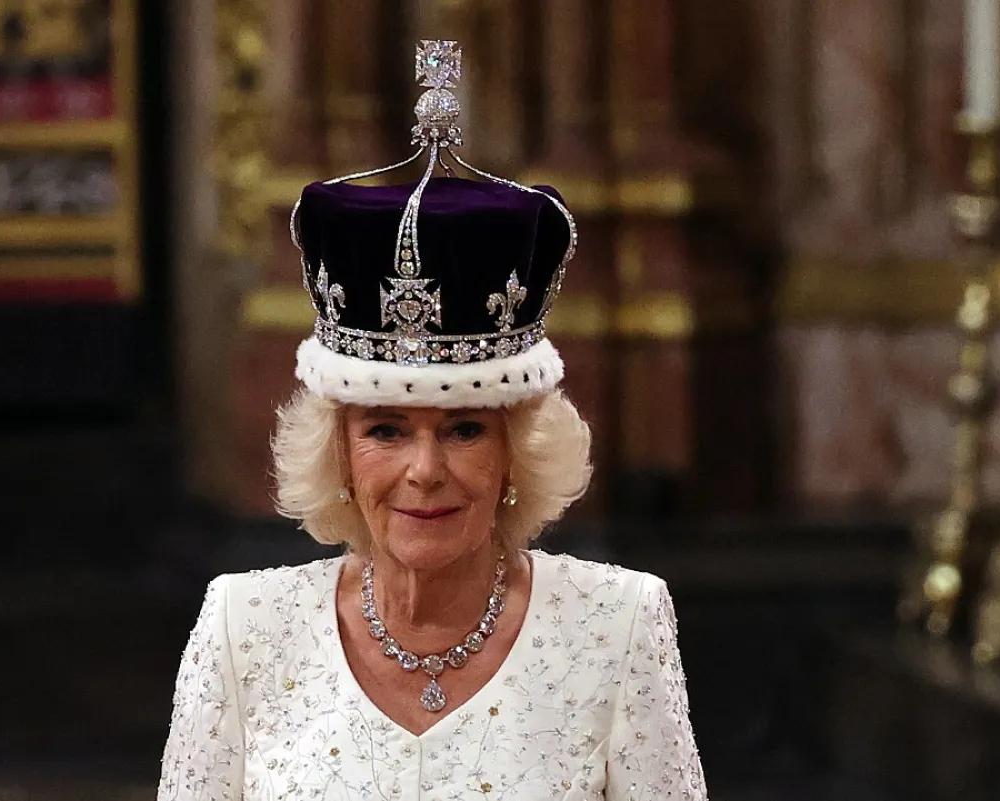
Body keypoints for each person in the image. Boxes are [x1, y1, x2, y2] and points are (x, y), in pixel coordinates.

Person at [157, 40, 706, 801]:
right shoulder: (243, 629)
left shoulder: (618, 627)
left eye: (464, 428)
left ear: (518, 448)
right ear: (340, 453)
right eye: (386, 429)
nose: (424, 467)